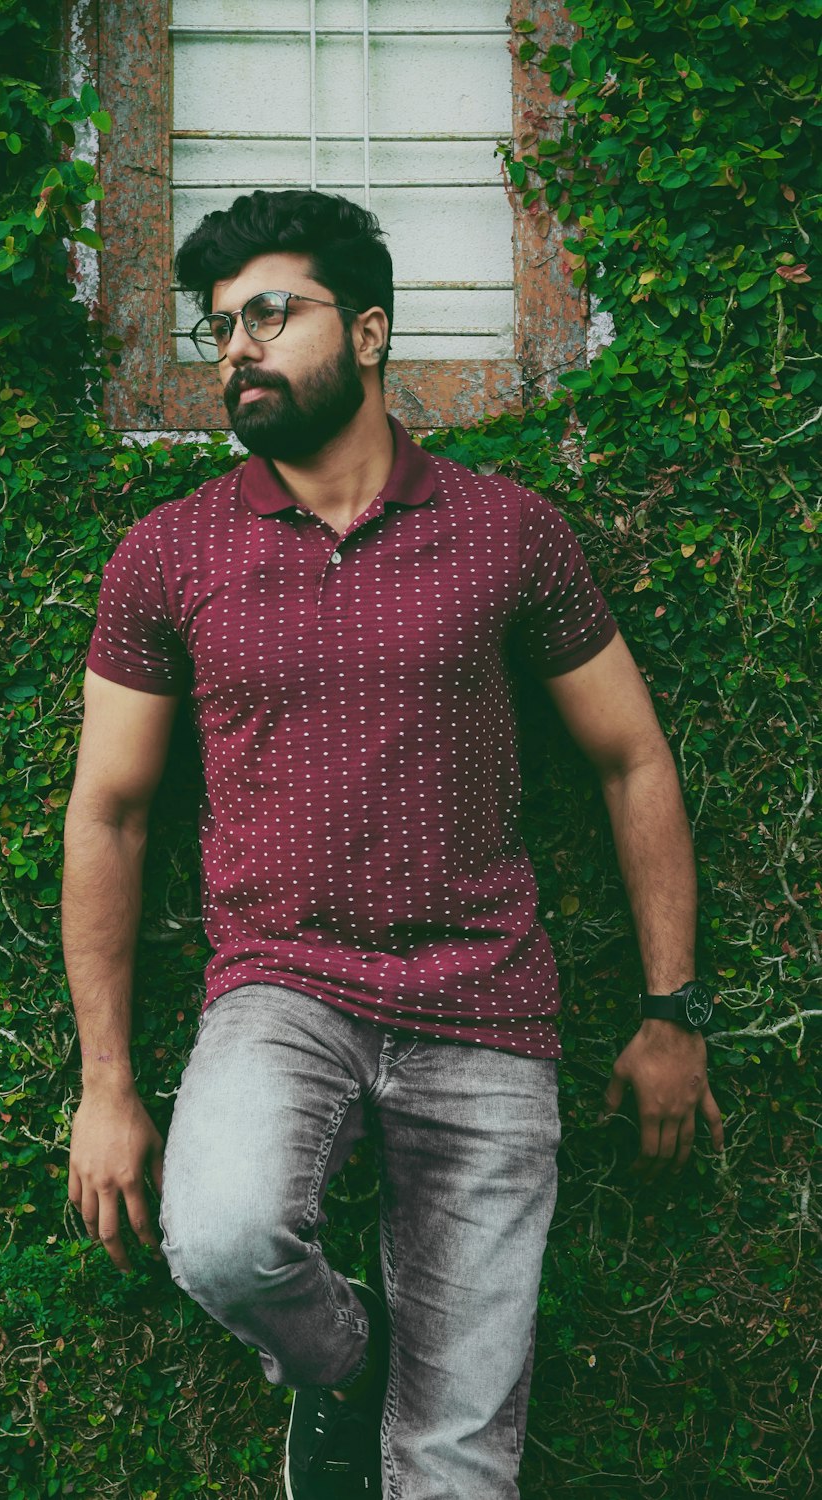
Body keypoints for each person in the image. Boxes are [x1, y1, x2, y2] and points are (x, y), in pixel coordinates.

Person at [63, 189, 725, 1500]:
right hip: (281, 992)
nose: (237, 347)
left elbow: (631, 757)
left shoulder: (509, 533)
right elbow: (110, 812)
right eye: (217, 328)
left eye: (269, 313)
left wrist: (673, 1011)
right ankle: (345, 1362)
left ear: (368, 333)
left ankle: (406, 1417)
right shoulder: (168, 556)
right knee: (228, 1239)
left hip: (487, 1008)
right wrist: (106, 1081)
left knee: (464, 1461)